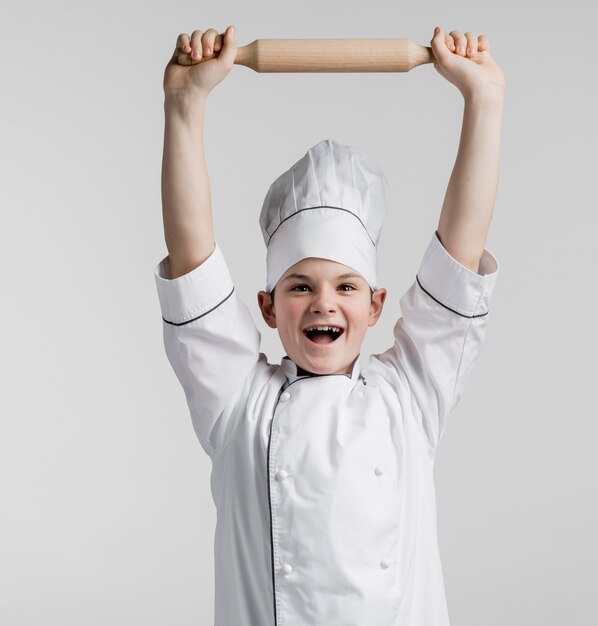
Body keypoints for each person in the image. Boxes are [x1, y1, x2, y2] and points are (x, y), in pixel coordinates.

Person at [154, 24, 505, 626]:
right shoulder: (239, 404)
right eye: (300, 286)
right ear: (266, 308)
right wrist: (185, 107)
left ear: (375, 305)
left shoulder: (409, 397)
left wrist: (484, 102)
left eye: (346, 287)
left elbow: (458, 257)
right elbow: (194, 263)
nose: (324, 303)